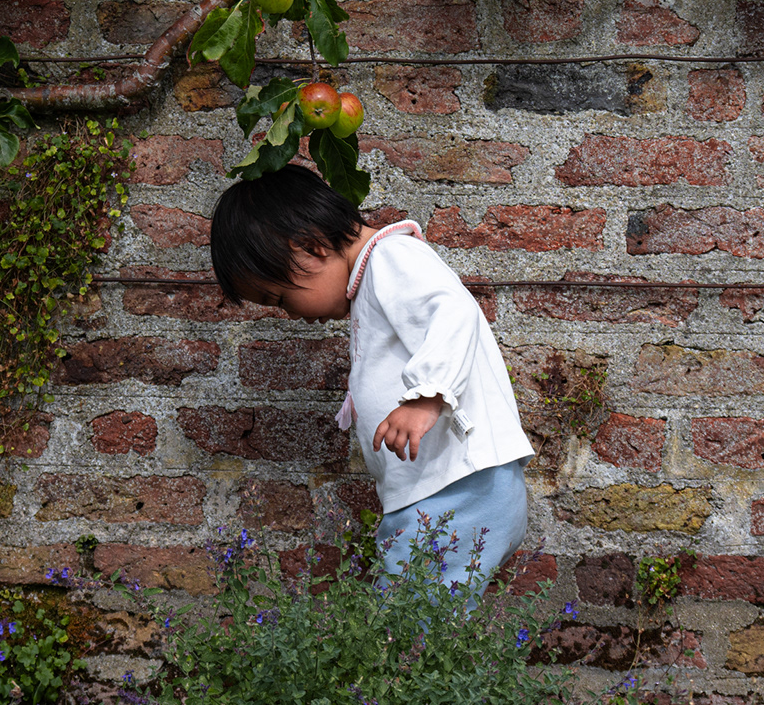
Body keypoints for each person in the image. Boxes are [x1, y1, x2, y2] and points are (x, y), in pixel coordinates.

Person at [210, 165, 534, 593]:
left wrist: (426, 397)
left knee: (407, 621)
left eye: (280, 299)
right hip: (441, 491)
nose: (290, 314)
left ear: (311, 248)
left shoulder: (391, 258)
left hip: (461, 488)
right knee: (418, 616)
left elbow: (454, 312)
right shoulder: (371, 280)